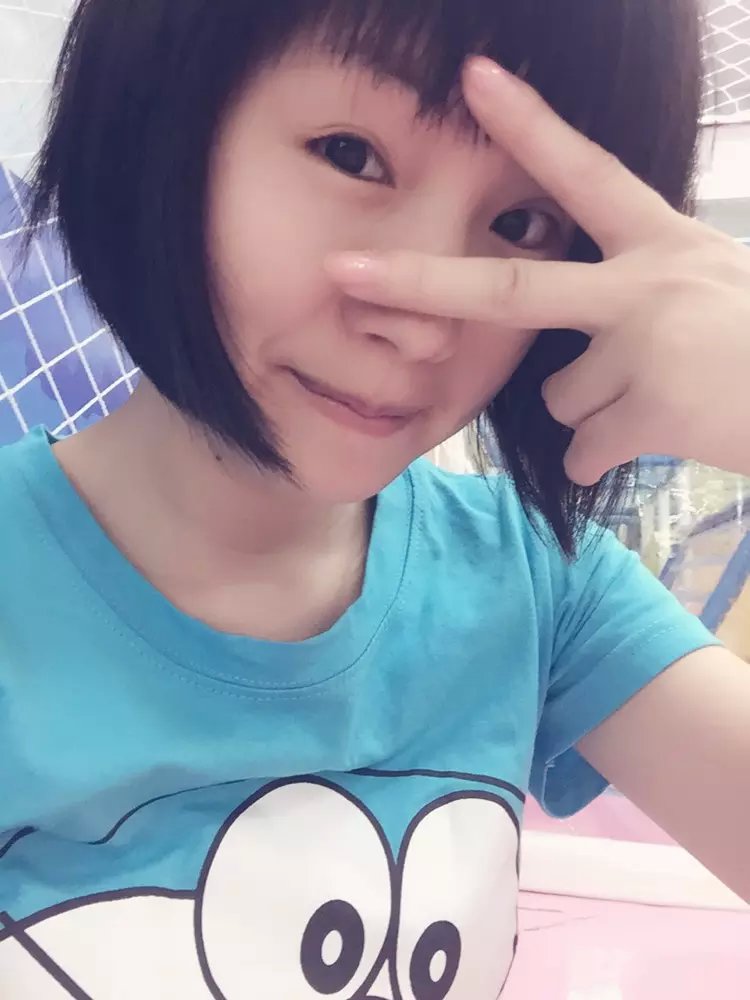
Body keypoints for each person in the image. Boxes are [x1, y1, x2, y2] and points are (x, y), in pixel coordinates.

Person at [1, 0, 748, 995]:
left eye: (523, 224)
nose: (423, 320)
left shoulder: (539, 582)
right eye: (352, 156)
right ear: (166, 113)